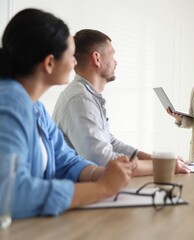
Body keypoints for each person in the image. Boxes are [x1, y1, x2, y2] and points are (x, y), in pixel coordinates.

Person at [0, 8, 133, 219]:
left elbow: (65, 160)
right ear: (50, 62)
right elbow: (10, 194)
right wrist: (102, 188)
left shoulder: (35, 108)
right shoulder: (9, 103)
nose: (74, 62)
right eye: (71, 55)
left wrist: (100, 173)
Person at [53, 29, 189, 175]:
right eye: (112, 55)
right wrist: (164, 166)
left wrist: (157, 159)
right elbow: (101, 160)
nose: (115, 62)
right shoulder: (79, 99)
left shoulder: (87, 95)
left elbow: (110, 143)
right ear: (97, 58)